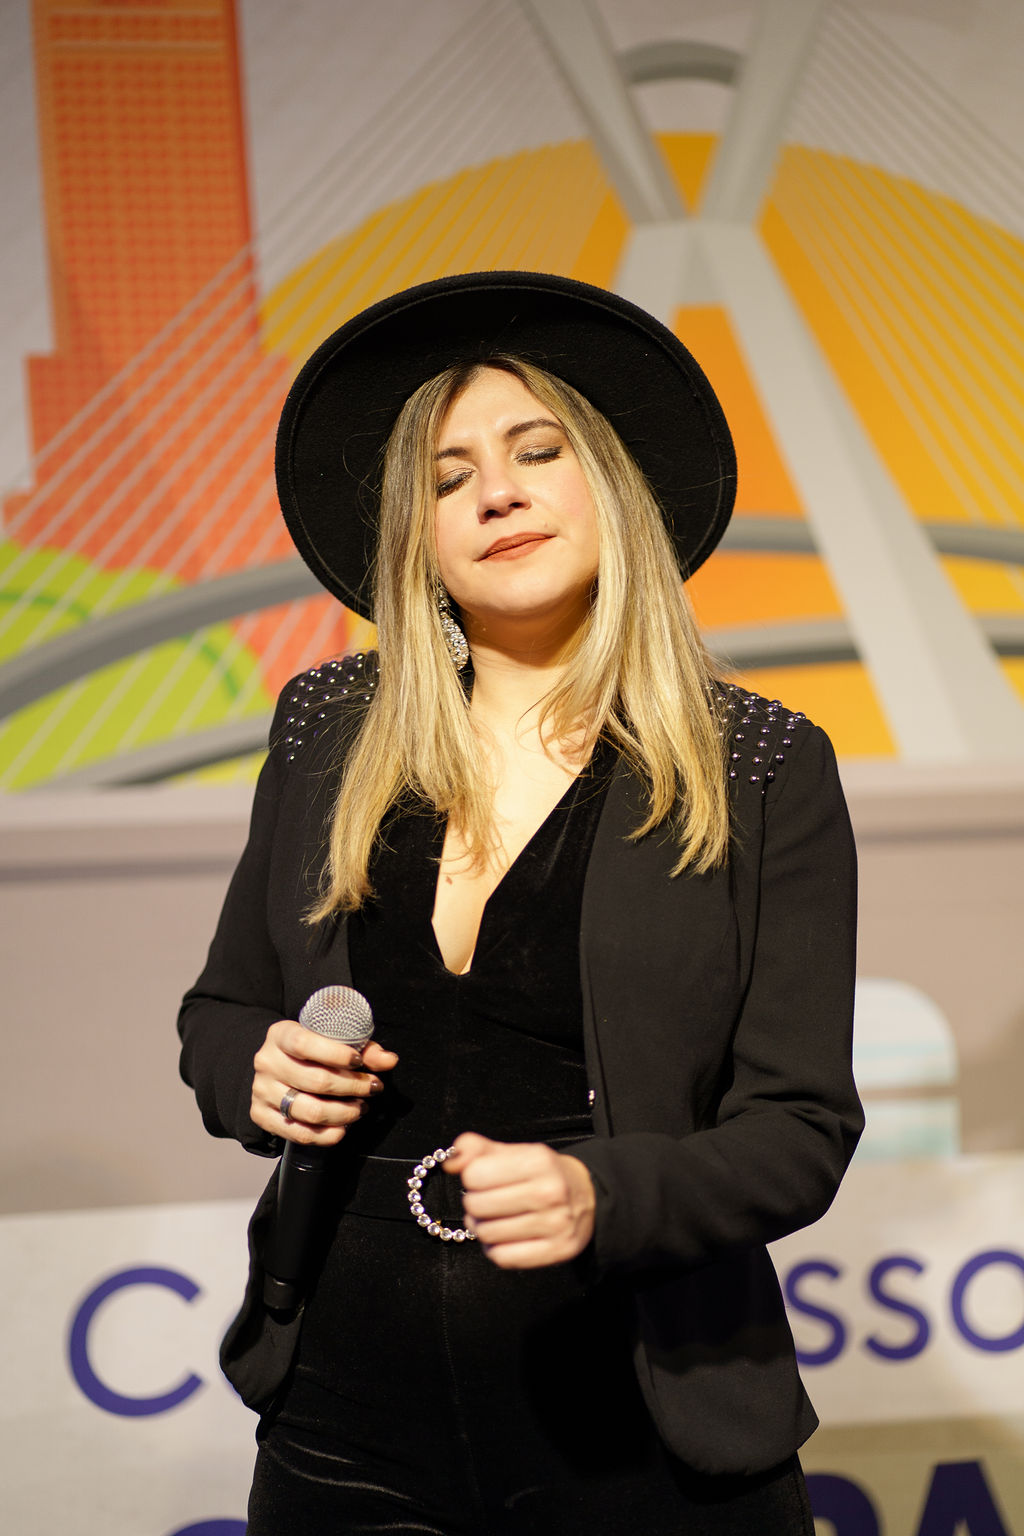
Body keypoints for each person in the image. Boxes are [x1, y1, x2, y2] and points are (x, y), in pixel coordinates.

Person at [178, 270, 861, 1535]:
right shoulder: (328, 728)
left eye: (537, 452)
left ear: (613, 487)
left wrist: (605, 1195)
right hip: (340, 1420)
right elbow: (221, 1012)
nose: (495, 493)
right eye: (449, 479)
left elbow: (801, 1129)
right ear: (418, 541)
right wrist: (252, 1073)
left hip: (643, 1432)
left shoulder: (759, 764)